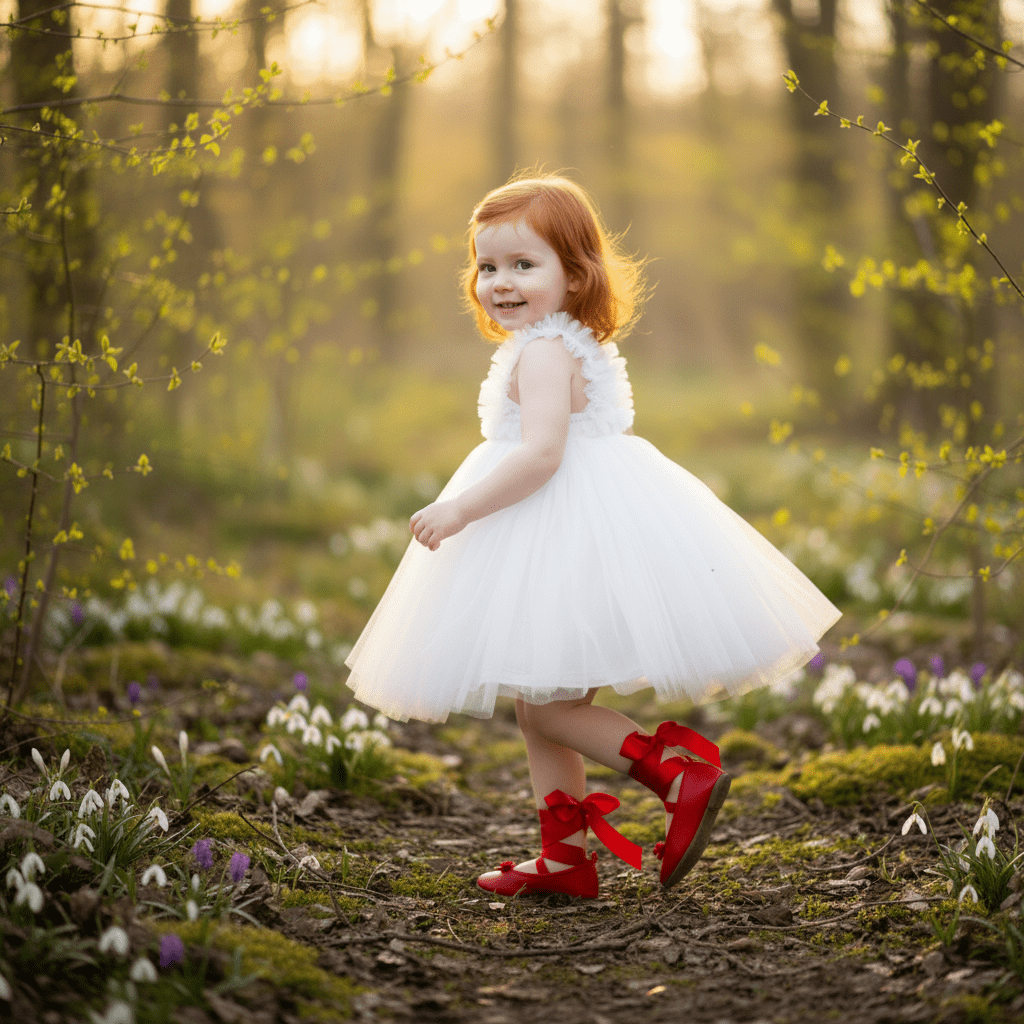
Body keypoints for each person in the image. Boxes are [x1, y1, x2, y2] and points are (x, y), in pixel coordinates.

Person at [345, 174, 841, 897]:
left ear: (575, 274)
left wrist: (460, 510)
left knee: (549, 705)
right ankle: (566, 857)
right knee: (538, 703)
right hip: (578, 526)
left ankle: (675, 776)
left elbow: (543, 455)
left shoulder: (545, 351)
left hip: (563, 529)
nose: (500, 283)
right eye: (488, 267)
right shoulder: (557, 342)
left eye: (524, 265)